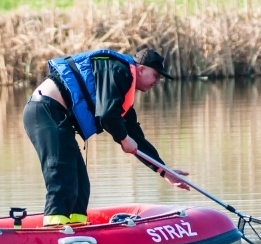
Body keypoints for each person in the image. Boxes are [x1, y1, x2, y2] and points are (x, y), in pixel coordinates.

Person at [22, 47, 189, 226]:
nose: (158, 81)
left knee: (81, 187)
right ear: (141, 69)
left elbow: (136, 137)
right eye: (156, 75)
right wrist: (124, 139)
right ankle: (54, 233)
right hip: (44, 111)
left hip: (55, 116)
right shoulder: (120, 72)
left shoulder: (122, 91)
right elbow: (107, 116)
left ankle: (76, 230)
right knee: (63, 178)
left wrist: (164, 170)